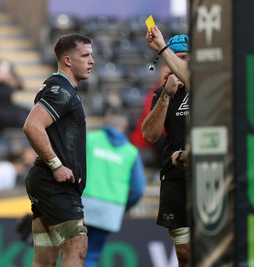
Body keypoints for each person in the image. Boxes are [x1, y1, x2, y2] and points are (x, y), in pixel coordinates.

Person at [23, 34, 94, 267]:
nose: (91, 60)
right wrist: (56, 165)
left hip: (44, 181)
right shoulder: (61, 90)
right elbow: (32, 126)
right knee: (77, 246)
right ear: (67, 60)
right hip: (55, 184)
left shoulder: (62, 88)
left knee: (45, 260)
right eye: (85, 55)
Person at [142, 33, 191, 267]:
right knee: (183, 251)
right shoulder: (161, 94)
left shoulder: (206, 86)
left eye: (185, 58)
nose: (181, 63)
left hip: (206, 173)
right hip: (175, 175)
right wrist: (167, 95)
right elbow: (149, 135)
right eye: (176, 57)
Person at [83, 108, 146, 267]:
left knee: (72, 252)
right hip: (110, 209)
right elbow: (138, 189)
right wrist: (123, 206)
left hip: (83, 203)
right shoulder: (131, 152)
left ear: (105, 121)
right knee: (91, 255)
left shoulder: (91, 139)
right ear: (124, 125)